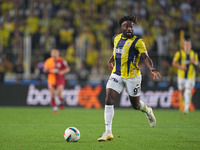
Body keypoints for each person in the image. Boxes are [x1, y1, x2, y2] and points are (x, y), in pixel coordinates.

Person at [97, 15, 161, 141]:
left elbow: (145, 57)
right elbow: (116, 52)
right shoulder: (116, 38)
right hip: (116, 74)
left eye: (131, 26)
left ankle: (148, 111)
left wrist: (151, 68)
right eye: (127, 26)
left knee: (136, 105)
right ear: (121, 27)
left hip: (133, 77)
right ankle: (108, 132)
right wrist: (110, 60)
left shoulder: (138, 41)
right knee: (109, 99)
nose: (129, 29)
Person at [172, 38, 199, 114]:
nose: (187, 46)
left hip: (190, 76)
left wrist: (195, 63)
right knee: (181, 91)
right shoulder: (179, 53)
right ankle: (185, 103)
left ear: (190, 46)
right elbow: (173, 63)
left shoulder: (194, 54)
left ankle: (186, 108)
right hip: (181, 76)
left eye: (188, 45)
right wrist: (181, 67)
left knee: (187, 91)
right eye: (186, 45)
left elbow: (198, 65)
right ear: (183, 45)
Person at [43, 49, 70, 114]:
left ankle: (62, 102)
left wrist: (62, 72)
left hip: (60, 79)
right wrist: (48, 70)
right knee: (52, 94)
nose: (54, 54)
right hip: (51, 80)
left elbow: (68, 68)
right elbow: (45, 70)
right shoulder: (48, 61)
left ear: (58, 54)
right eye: (53, 53)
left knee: (59, 95)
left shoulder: (62, 60)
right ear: (51, 54)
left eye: (56, 53)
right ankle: (55, 109)